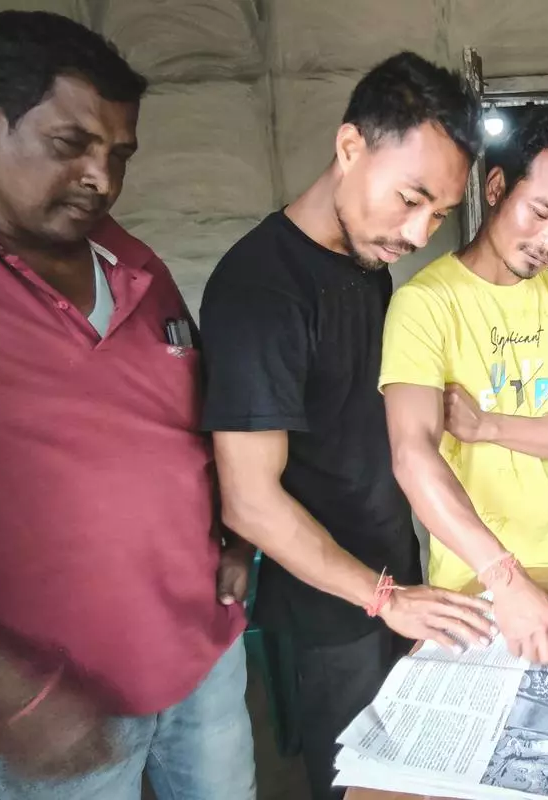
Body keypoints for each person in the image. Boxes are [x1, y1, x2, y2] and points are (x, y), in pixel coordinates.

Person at [0, 10, 256, 798]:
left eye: (119, 154)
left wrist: (234, 532)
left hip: (200, 654)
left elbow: (189, 420)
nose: (103, 178)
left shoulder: (131, 259)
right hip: (55, 707)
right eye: (71, 145)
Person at [198, 52, 494, 799]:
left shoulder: (367, 265)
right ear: (350, 147)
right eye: (411, 199)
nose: (420, 231)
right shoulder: (260, 289)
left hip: (392, 573)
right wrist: (383, 597)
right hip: (333, 610)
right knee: (354, 783)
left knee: (414, 771)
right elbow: (250, 499)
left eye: (438, 214)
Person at [379, 108, 548, 676]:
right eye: (540, 213)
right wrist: (503, 577)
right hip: (474, 581)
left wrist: (488, 427)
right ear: (496, 187)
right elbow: (412, 455)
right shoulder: (425, 304)